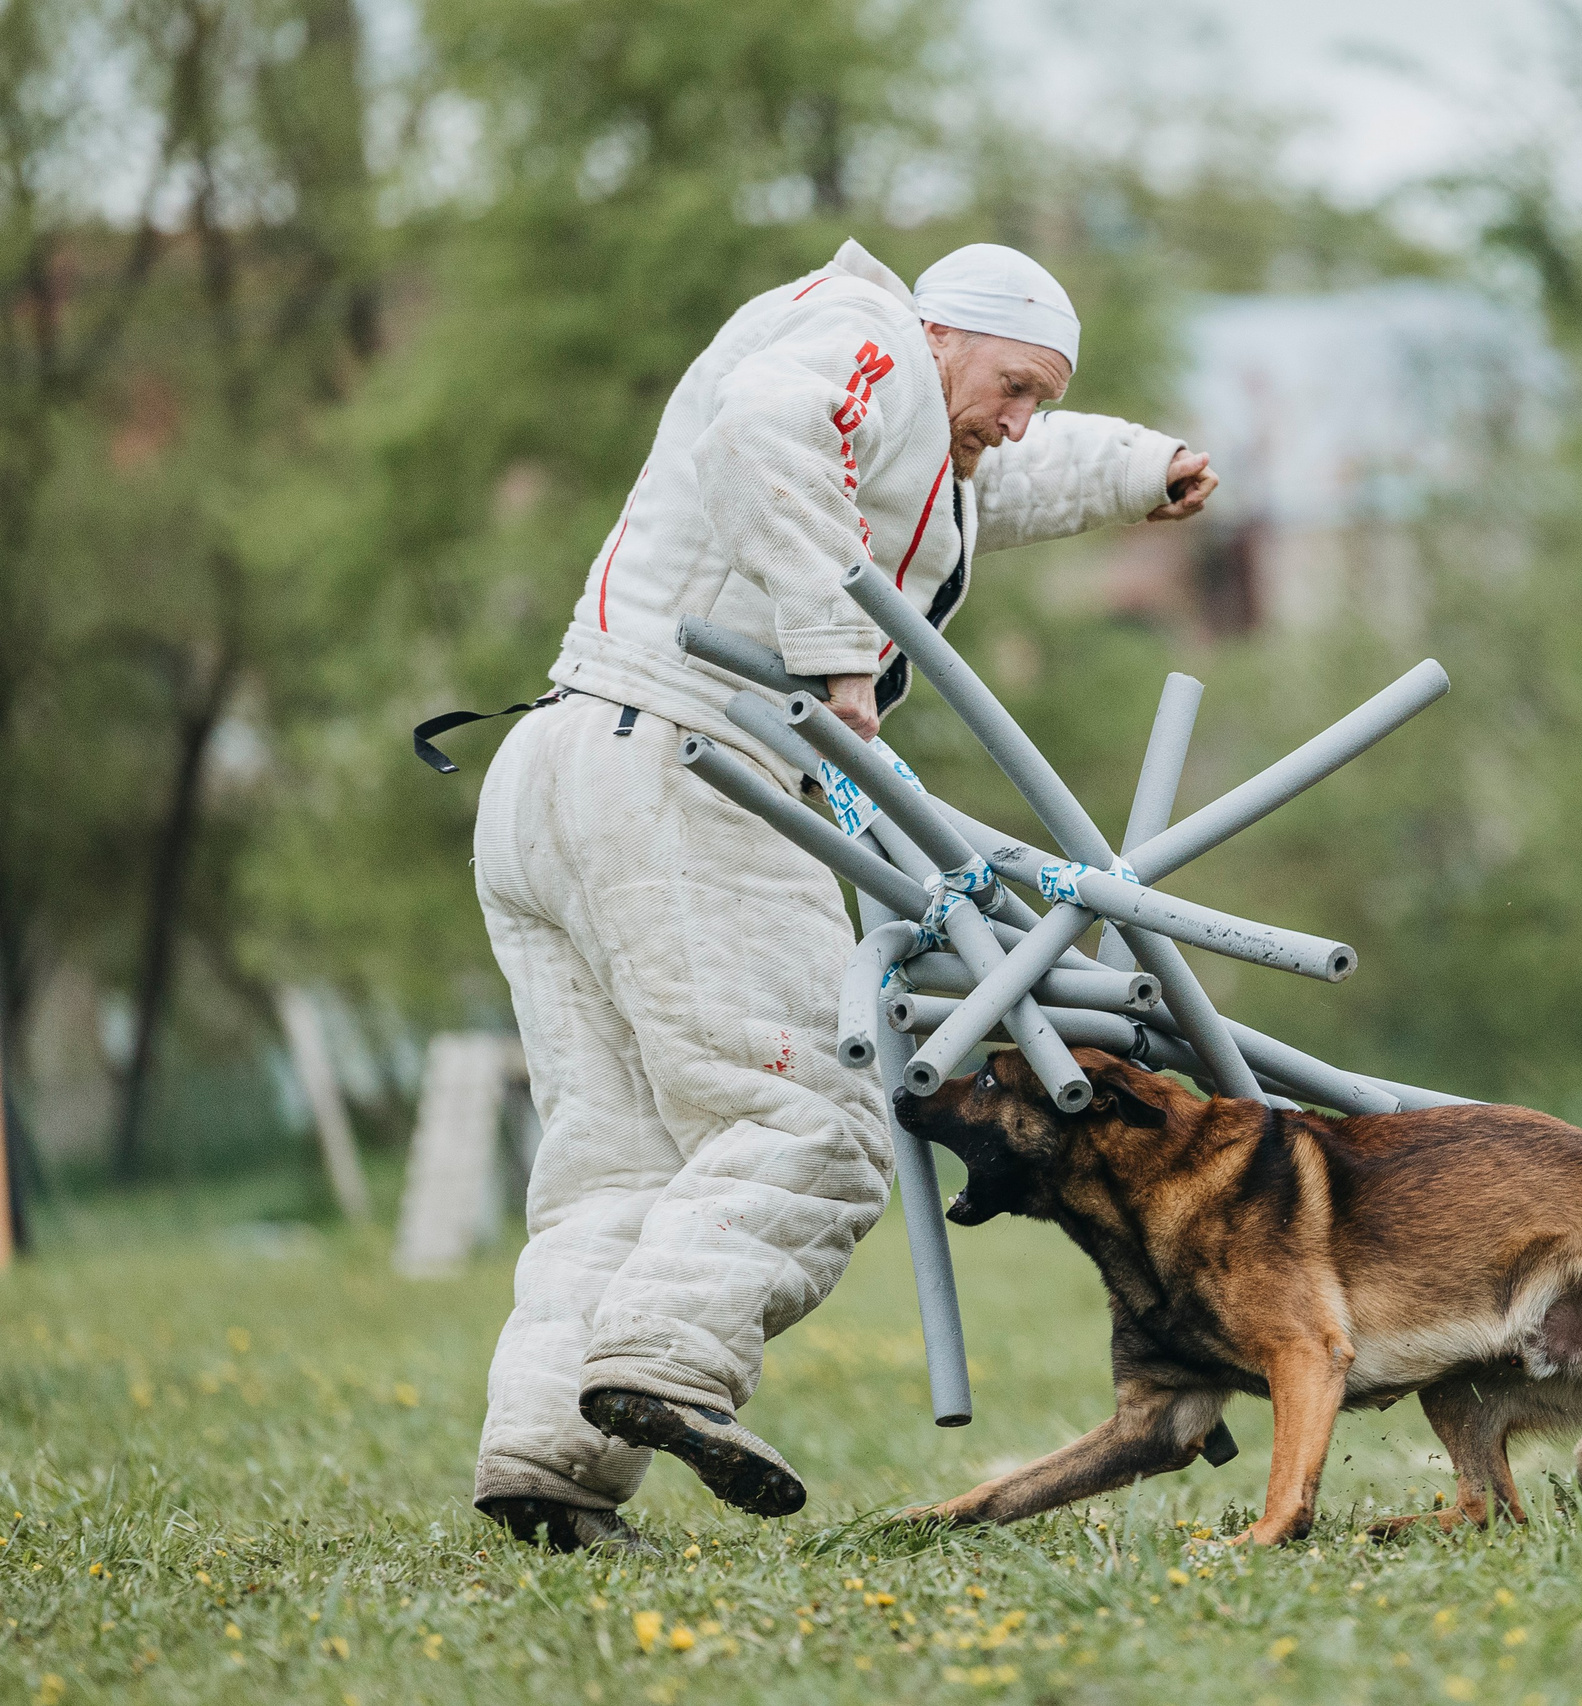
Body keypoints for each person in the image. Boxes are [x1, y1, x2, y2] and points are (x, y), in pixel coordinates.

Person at [466, 239, 1217, 1552]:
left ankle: (550, 1467)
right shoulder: (863, 335)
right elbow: (769, 429)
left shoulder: (900, 390)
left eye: (1045, 393)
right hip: (688, 765)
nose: (1022, 415)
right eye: (1016, 381)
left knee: (621, 1166)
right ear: (941, 335)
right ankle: (670, 1358)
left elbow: (1002, 468)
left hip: (558, 761)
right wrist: (837, 665)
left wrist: (1140, 465)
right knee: (815, 1113)